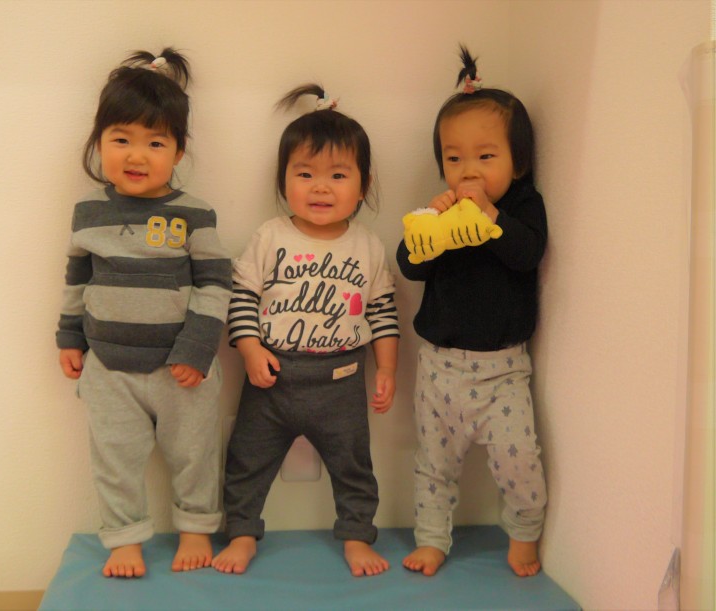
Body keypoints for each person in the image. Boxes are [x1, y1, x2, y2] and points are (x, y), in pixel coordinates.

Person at [55, 48, 232, 578]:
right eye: (121, 139)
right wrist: (69, 337)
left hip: (183, 370)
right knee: (115, 458)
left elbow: (215, 283)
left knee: (194, 452)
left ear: (178, 151)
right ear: (99, 142)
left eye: (155, 143)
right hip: (110, 369)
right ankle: (124, 539)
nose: (137, 156)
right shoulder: (89, 212)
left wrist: (196, 349)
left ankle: (196, 527)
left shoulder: (194, 213)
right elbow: (77, 279)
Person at [212, 85, 399, 577]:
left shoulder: (368, 246)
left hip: (341, 382)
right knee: (246, 460)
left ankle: (357, 536)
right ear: (284, 180)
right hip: (272, 379)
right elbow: (242, 297)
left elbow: (383, 312)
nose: (320, 188)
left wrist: (387, 369)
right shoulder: (270, 236)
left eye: (338, 175)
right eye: (305, 174)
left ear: (363, 184)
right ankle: (242, 533)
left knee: (353, 465)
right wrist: (250, 349)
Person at [398, 46, 548, 578]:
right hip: (439, 366)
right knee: (433, 465)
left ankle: (524, 532)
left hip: (502, 371)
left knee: (519, 459)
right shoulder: (440, 210)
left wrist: (489, 215)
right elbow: (410, 265)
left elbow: (528, 253)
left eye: (486, 157)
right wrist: (431, 227)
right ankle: (432, 539)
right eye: (454, 158)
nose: (468, 171)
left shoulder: (522, 207)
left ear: (518, 162)